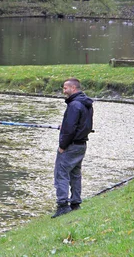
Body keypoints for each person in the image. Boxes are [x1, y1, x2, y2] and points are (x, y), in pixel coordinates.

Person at [52, 78, 94, 218]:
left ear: (74, 88)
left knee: (61, 173)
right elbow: (82, 125)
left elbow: (70, 129)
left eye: (65, 88)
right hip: (81, 145)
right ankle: (75, 203)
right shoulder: (86, 103)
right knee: (75, 174)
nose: (64, 91)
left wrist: (62, 146)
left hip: (71, 145)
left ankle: (63, 205)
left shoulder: (74, 105)